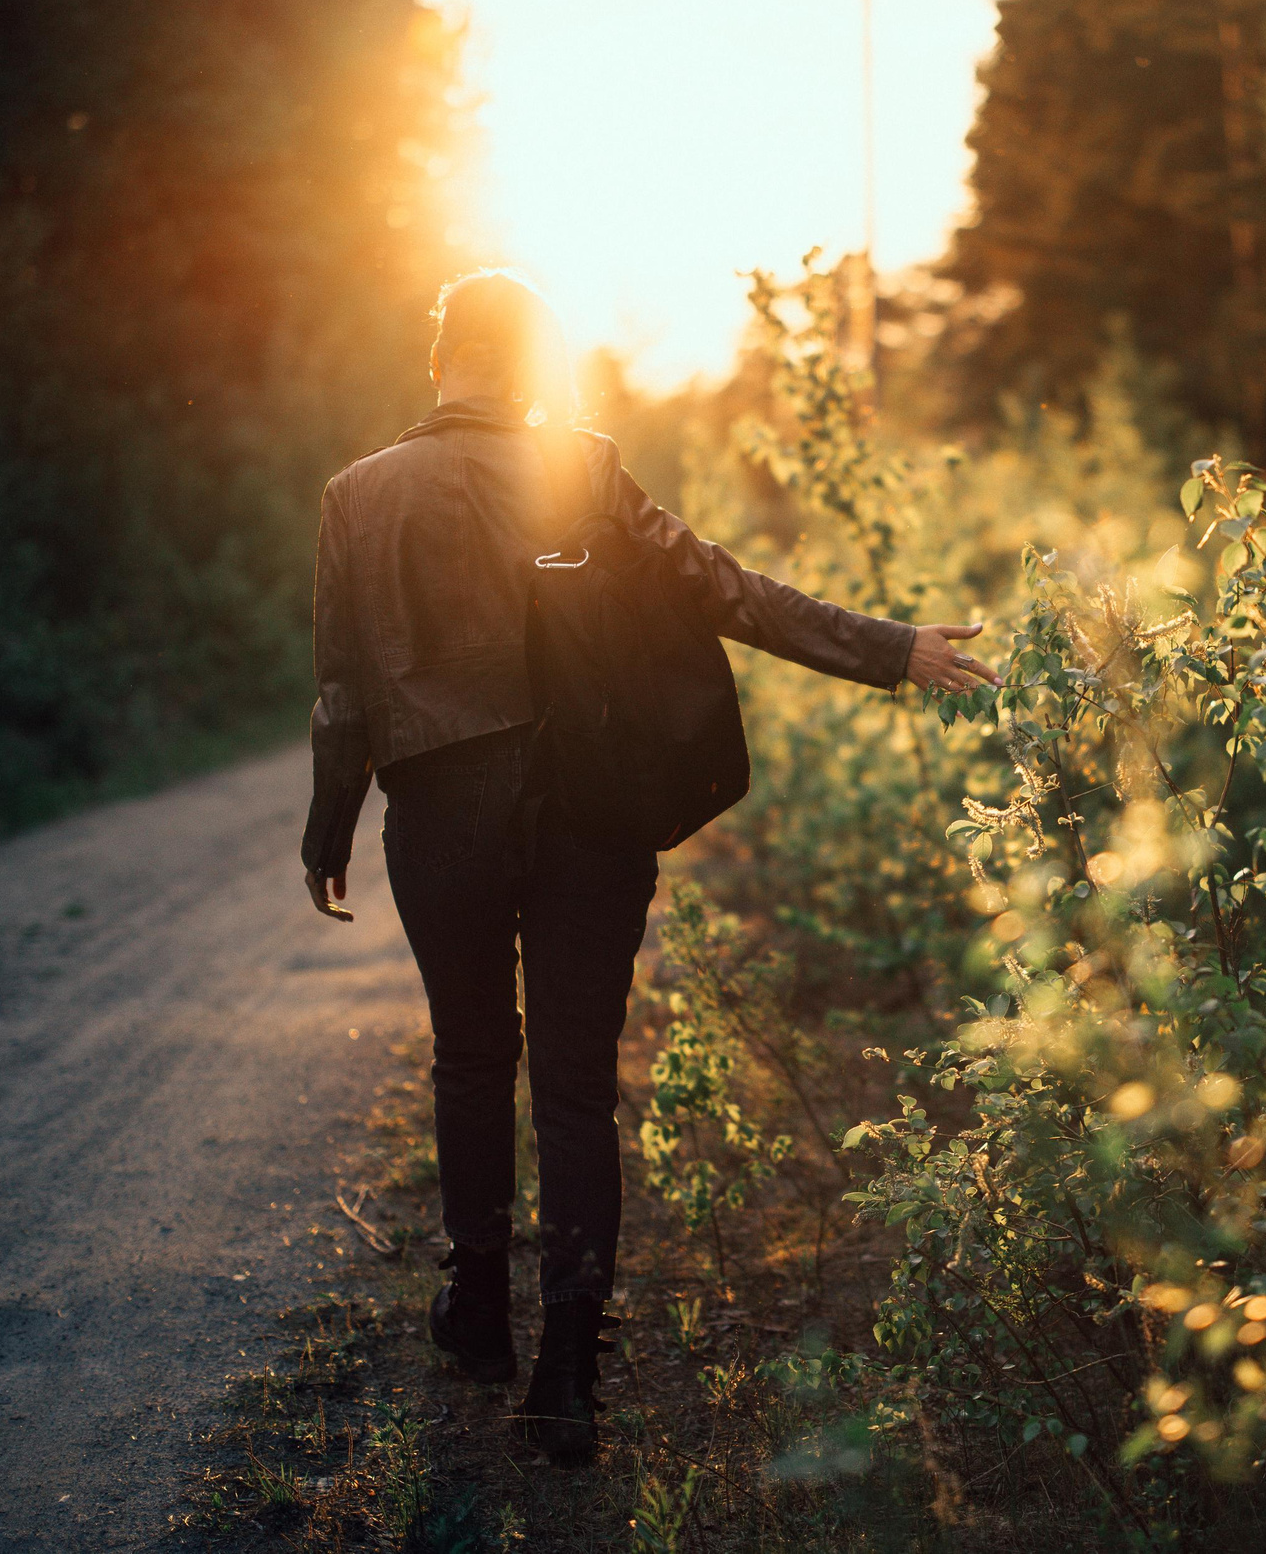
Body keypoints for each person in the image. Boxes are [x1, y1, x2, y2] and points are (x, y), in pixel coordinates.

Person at [299, 269, 995, 1465]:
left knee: (471, 1055)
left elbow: (342, 691)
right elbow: (720, 585)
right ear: (522, 368)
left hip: (443, 810)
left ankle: (475, 1315)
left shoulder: (355, 497)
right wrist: (889, 647)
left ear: (438, 357)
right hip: (587, 807)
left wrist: (329, 829)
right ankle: (565, 1377)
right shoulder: (577, 467)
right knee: (573, 1084)